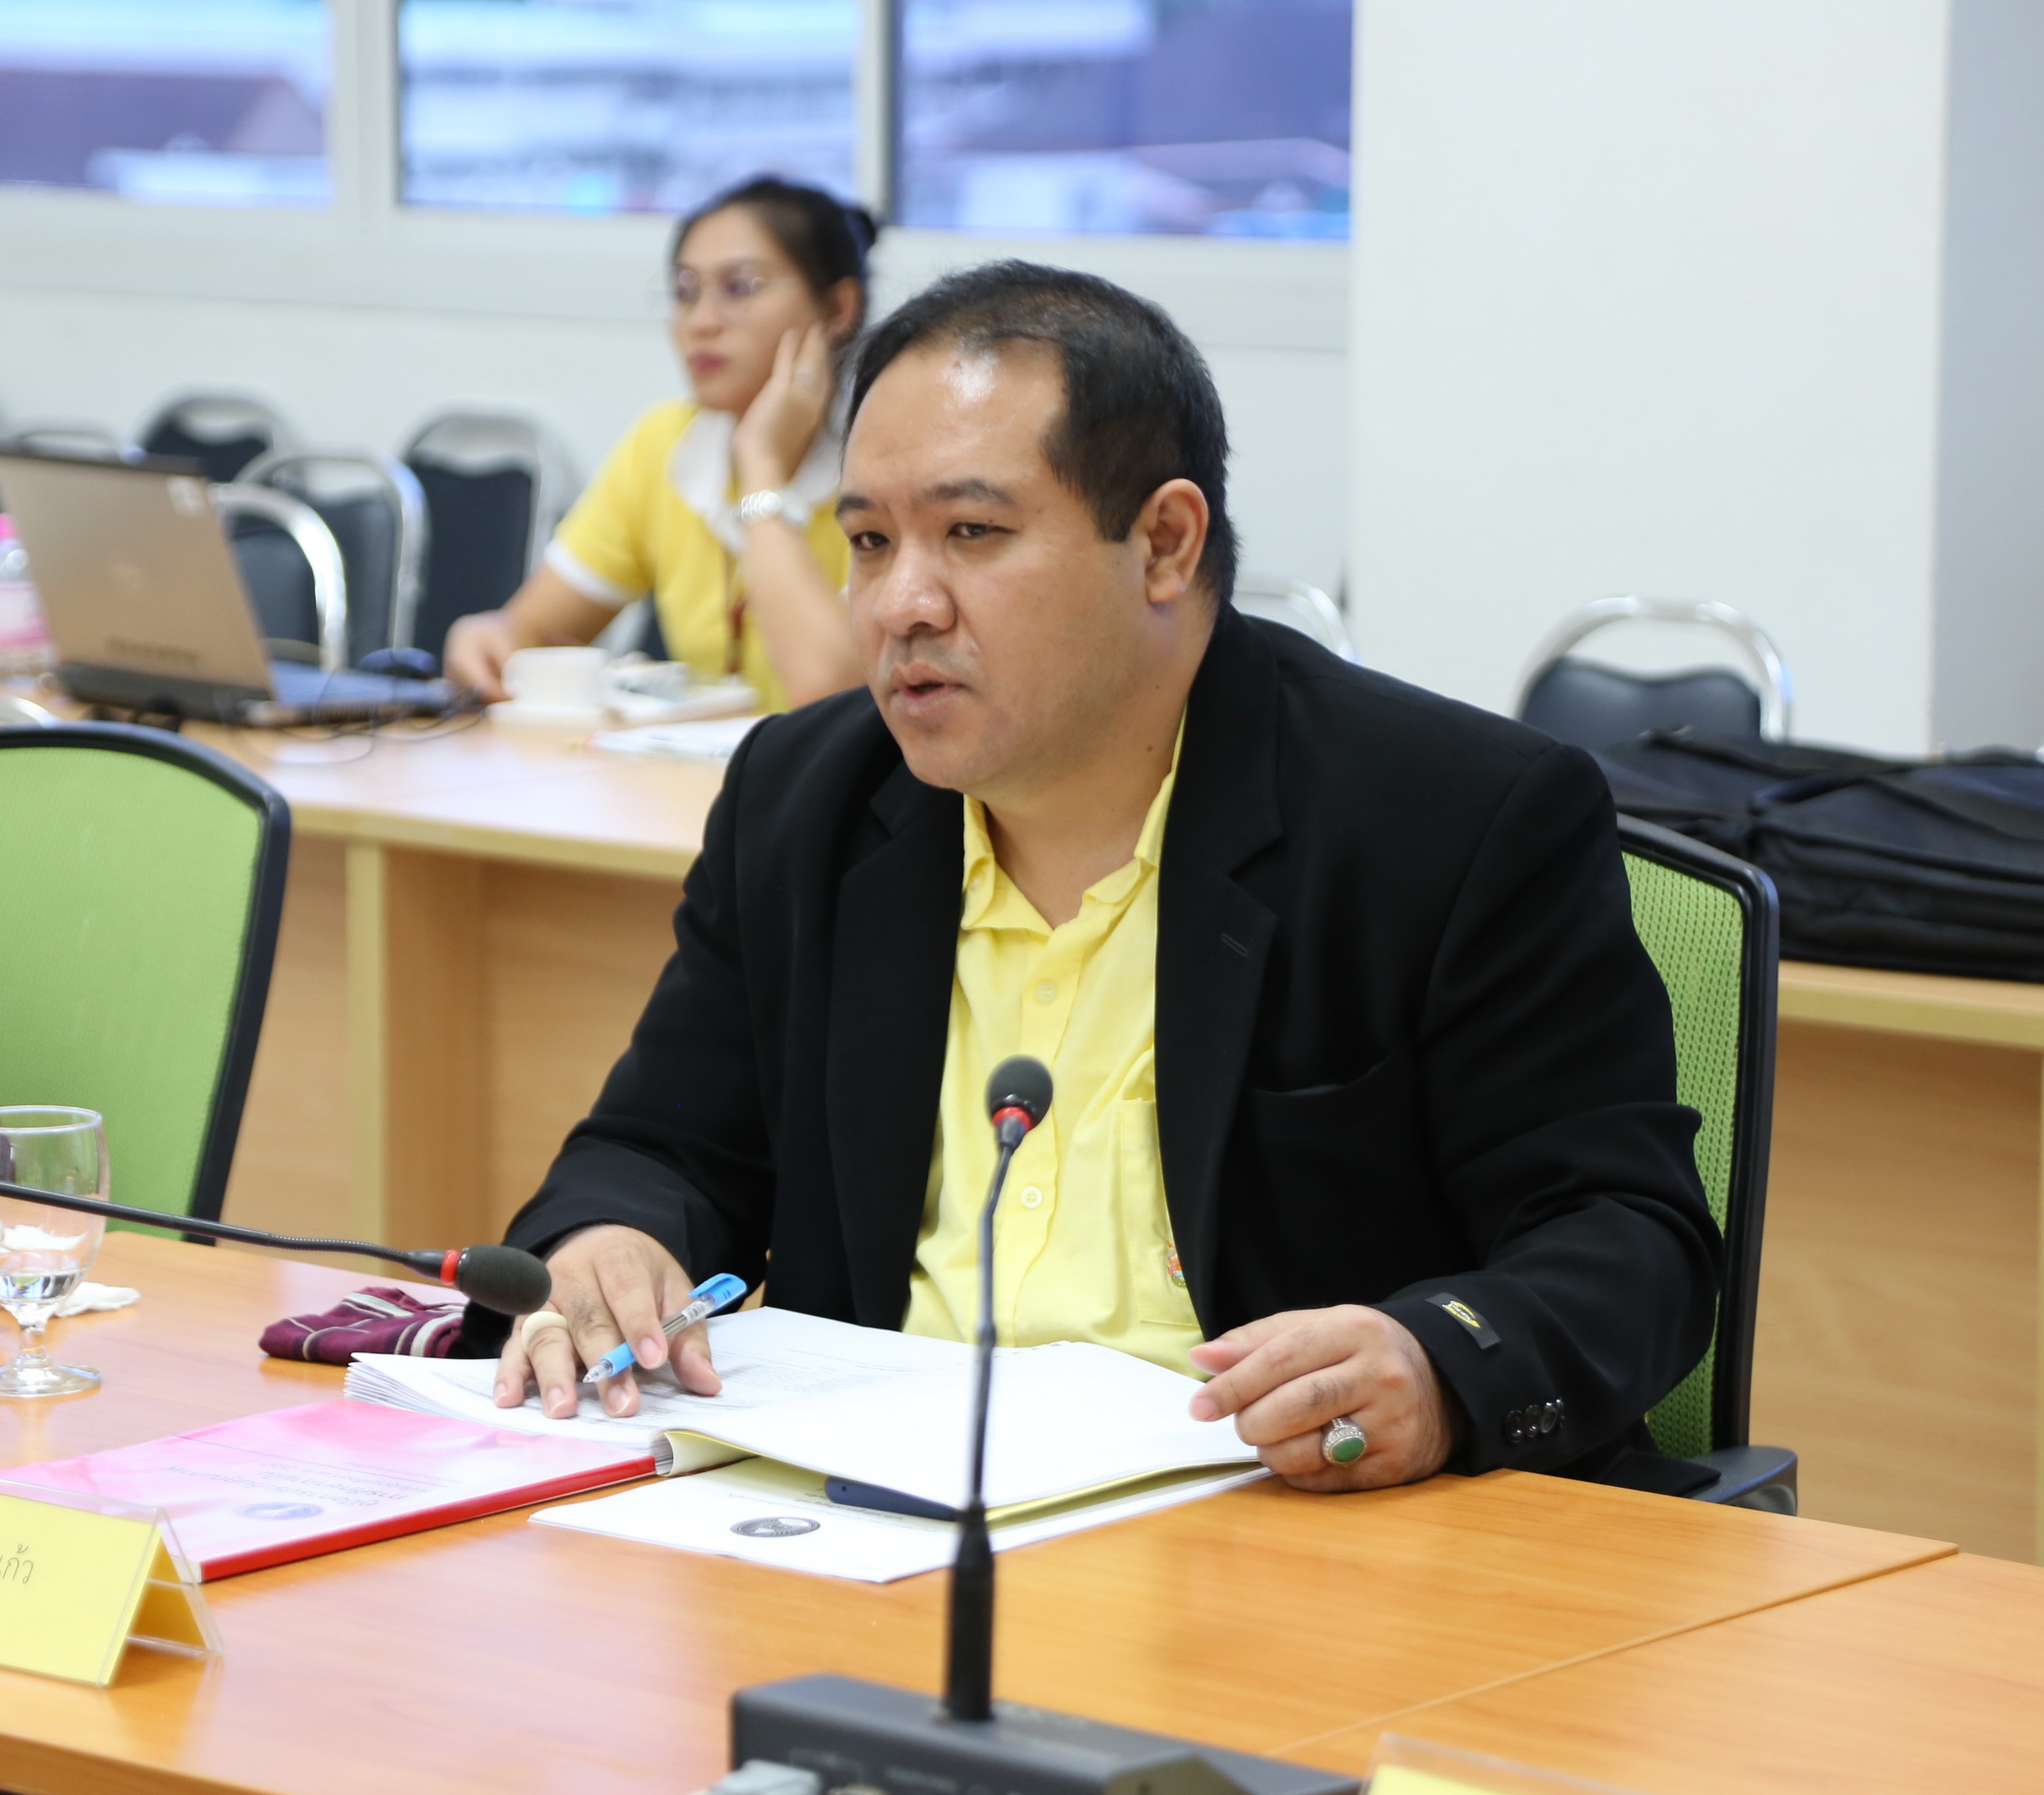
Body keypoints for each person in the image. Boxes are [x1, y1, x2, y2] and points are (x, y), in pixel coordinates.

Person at [472, 264, 1723, 1494]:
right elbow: (662, 1146)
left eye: (971, 533)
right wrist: (609, 1240)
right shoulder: (804, 801)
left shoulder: (1447, 817)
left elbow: (1628, 1240)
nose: (903, 603)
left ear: (1165, 543)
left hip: (1276, 1529)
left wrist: (1436, 1367)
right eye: (868, 540)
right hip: (877, 1521)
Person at [442, 176, 874, 712]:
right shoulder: (668, 444)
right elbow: (533, 632)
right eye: (685, 292)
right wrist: (491, 637)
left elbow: (831, 692)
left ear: (838, 308)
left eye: (740, 287)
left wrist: (761, 465)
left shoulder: (883, 461)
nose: (701, 322)